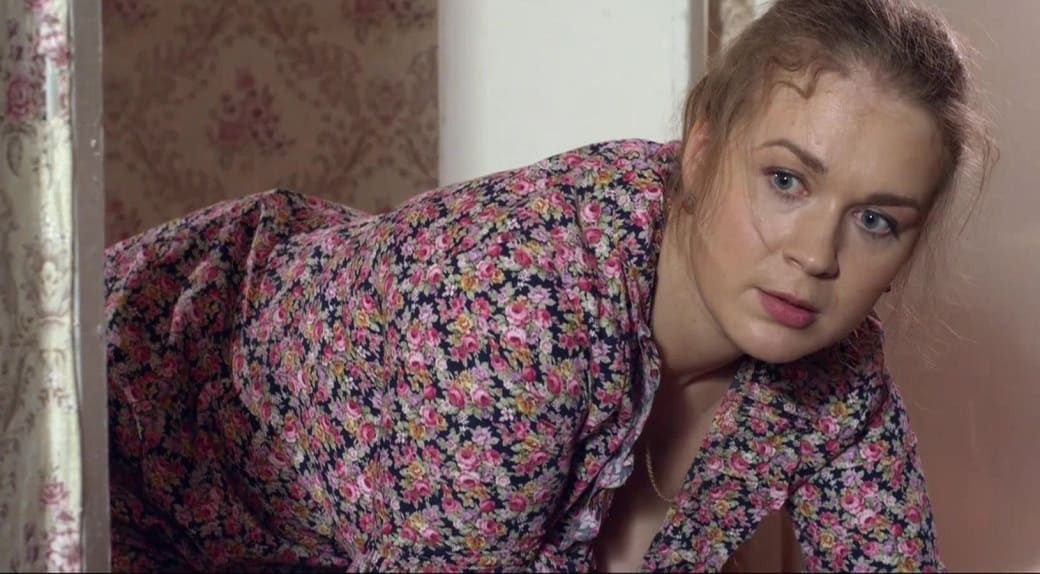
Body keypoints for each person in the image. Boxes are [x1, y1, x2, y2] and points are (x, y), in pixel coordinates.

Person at [106, 0, 994, 571]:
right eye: (787, 181)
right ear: (702, 147)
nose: (816, 255)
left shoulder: (835, 373)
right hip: (130, 395)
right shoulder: (522, 302)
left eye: (876, 220)